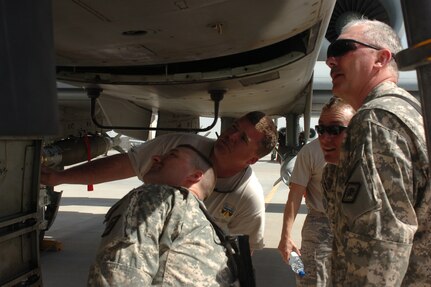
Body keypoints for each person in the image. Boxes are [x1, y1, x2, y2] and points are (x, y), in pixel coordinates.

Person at [41, 111, 278, 252]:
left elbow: (243, 256)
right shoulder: (180, 145)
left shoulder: (248, 199)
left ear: (252, 159)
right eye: (234, 128)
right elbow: (124, 165)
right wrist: (60, 176)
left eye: (242, 138)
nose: (230, 135)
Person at [325, 19, 430, 285]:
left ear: (381, 58)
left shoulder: (376, 120)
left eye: (343, 48)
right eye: (330, 53)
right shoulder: (409, 109)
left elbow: (380, 241)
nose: (331, 61)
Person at [87, 144, 235, 286]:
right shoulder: (211, 232)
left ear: (195, 176)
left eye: (172, 156)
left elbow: (121, 276)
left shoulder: (156, 196)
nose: (156, 158)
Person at [278, 98, 355, 286]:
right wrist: (285, 236)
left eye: (335, 130)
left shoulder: (370, 151)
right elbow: (295, 196)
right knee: (313, 281)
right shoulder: (310, 152)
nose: (326, 137)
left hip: (358, 226)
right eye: (321, 129)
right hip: (321, 227)